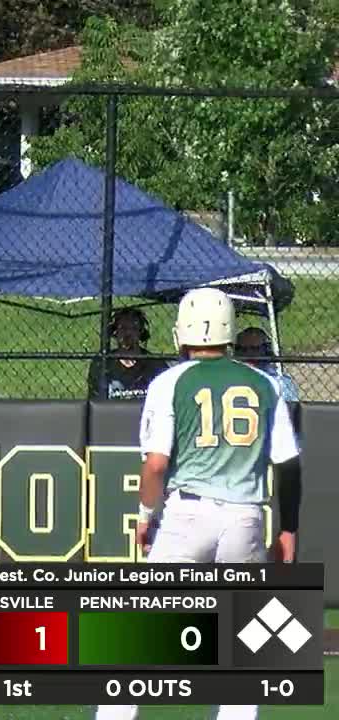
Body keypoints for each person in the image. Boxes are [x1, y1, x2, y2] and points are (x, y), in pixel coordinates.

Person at [96, 288, 301, 720]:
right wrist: (288, 530)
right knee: (245, 642)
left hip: (188, 512)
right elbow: (289, 465)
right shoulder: (264, 384)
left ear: (183, 330)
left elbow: (155, 465)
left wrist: (144, 516)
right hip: (246, 514)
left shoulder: (169, 381)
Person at [87, 307, 170, 399]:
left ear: (141, 332)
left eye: (134, 328)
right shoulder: (101, 363)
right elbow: (93, 398)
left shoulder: (155, 365)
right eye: (123, 328)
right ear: (115, 331)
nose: (128, 333)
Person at [234, 327, 301, 402]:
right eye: (242, 349)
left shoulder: (280, 382)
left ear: (266, 351)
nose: (248, 354)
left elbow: (291, 410)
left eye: (255, 349)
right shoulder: (229, 379)